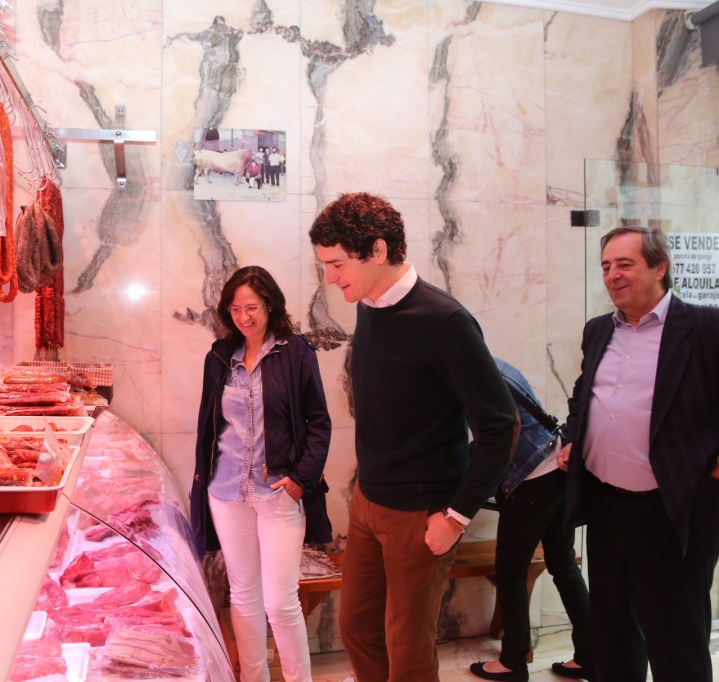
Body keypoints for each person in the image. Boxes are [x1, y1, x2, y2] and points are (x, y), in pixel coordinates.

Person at [557, 226, 719, 682]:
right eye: (606, 266)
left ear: (659, 267)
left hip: (674, 514)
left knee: (676, 647)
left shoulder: (713, 329)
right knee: (612, 637)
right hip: (606, 507)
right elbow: (584, 393)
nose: (613, 275)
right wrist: (576, 437)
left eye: (625, 264)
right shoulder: (598, 330)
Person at [308, 192, 517, 681]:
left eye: (337, 264)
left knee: (408, 650)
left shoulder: (445, 321)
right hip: (369, 503)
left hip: (422, 514)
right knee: (357, 628)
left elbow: (501, 425)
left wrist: (456, 517)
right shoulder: (369, 305)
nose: (331, 278)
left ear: (377, 251)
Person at [191, 265, 332, 682]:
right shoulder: (219, 356)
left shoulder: (295, 352)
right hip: (226, 492)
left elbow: (319, 422)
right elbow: (208, 427)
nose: (244, 317)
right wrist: (204, 481)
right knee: (243, 594)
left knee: (280, 603)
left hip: (277, 493)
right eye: (235, 309)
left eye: (251, 307)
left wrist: (301, 480)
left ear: (270, 305)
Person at [469, 359, 593, 682]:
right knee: (563, 564)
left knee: (510, 571)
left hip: (531, 480)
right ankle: (591, 655)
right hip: (556, 470)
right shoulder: (499, 366)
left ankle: (513, 661)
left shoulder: (473, 376)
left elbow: (496, 436)